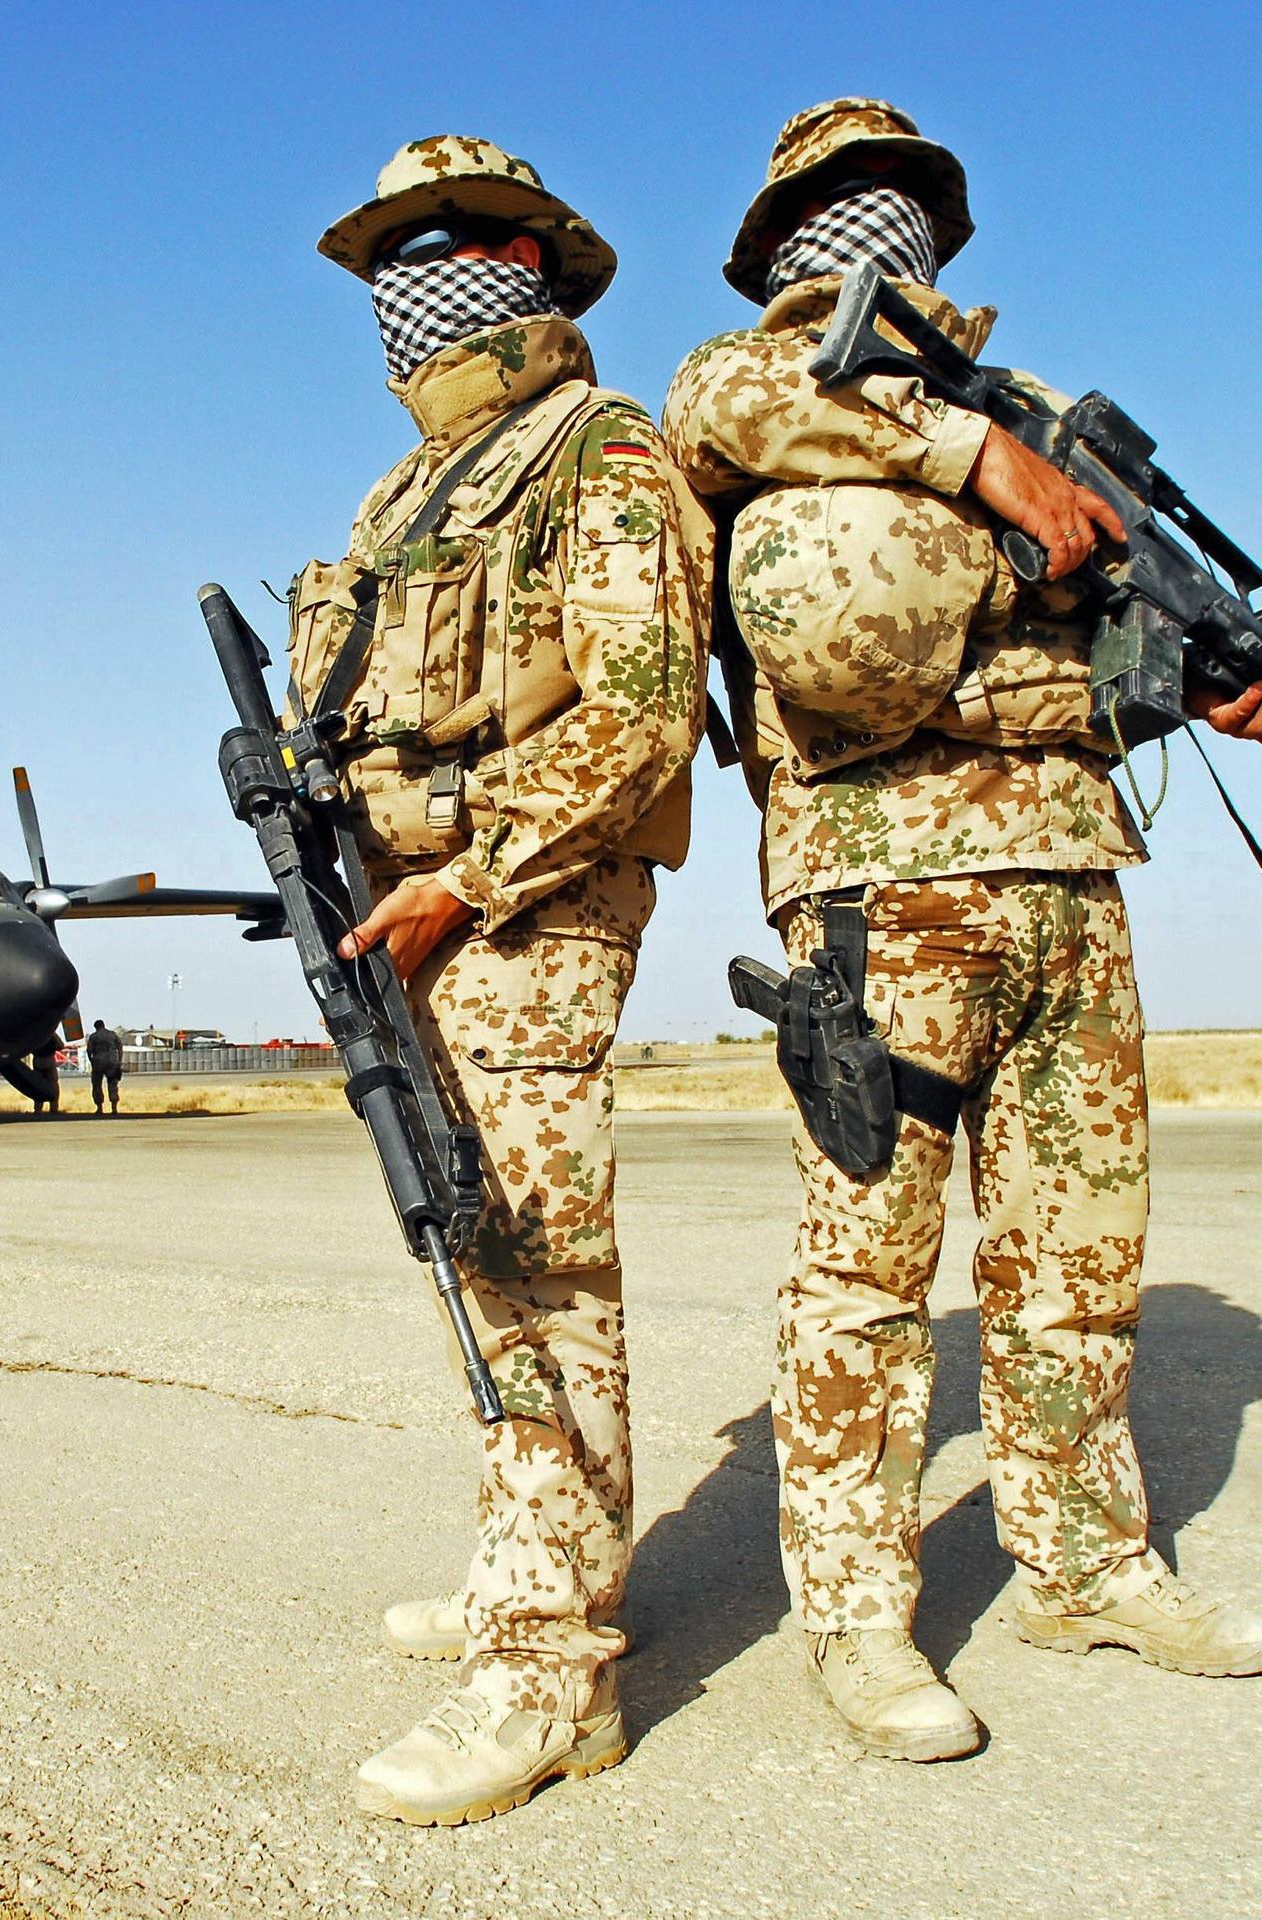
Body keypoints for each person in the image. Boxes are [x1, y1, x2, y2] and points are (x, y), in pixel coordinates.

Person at [661, 97, 1262, 1764]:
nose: (873, 224)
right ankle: (858, 1620)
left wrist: (1201, 684)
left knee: (1078, 1259)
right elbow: (723, 402)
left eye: (900, 196)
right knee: (864, 1274)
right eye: (836, 203)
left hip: (1073, 871)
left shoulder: (1044, 411)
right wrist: (957, 452)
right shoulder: (746, 384)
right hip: (878, 880)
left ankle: (1086, 1562)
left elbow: (1093, 620)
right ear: (780, 242)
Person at [301, 134, 713, 1823]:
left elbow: (635, 714)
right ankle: (521, 1568)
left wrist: (468, 872)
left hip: (526, 909)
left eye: (446, 254)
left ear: (526, 271)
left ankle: (553, 1675)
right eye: (392, 262)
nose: (410, 294)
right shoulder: (404, 498)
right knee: (470, 1257)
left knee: (539, 1275)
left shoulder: (597, 452)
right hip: (415, 916)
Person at [85, 1019, 123, 1115]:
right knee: (113, 1085)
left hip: (98, 1063)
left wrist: (91, 1061)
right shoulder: (112, 1034)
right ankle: (114, 1109)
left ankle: (99, 1108)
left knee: (97, 1085)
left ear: (96, 1027)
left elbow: (89, 1050)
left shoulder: (93, 1037)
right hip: (112, 1062)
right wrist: (119, 1060)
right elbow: (120, 1047)